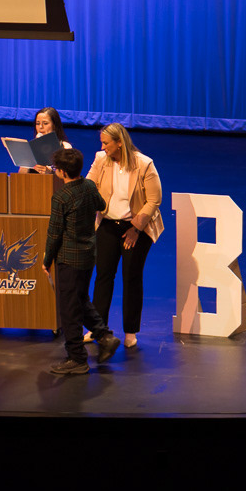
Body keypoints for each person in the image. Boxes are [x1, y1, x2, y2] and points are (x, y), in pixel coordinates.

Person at [42, 147, 120, 374]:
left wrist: (47, 260)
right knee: (81, 299)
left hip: (69, 259)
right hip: (87, 256)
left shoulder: (61, 197)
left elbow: (54, 233)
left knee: (69, 309)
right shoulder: (88, 186)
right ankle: (105, 336)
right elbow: (101, 205)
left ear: (63, 172)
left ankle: (77, 358)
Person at [87, 123, 164, 349]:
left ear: (119, 142)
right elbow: (89, 185)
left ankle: (130, 332)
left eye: (106, 143)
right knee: (103, 276)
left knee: (131, 277)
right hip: (108, 225)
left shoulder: (144, 164)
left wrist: (136, 228)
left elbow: (154, 200)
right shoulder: (101, 159)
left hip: (136, 227)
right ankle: (98, 329)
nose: (103, 147)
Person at [22, 106, 73, 174]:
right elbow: (20, 176)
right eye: (38, 124)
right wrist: (26, 162)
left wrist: (50, 171)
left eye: (45, 123)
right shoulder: (31, 148)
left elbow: (67, 175)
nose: (40, 127)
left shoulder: (65, 147)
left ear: (54, 125)